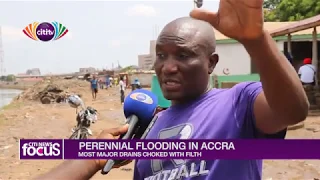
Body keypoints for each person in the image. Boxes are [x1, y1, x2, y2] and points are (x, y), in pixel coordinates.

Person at [36, 1, 309, 179]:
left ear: (211, 63)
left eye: (182, 55)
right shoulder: (148, 127)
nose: (167, 67)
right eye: (161, 55)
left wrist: (257, 40)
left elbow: (292, 110)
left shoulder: (238, 101)